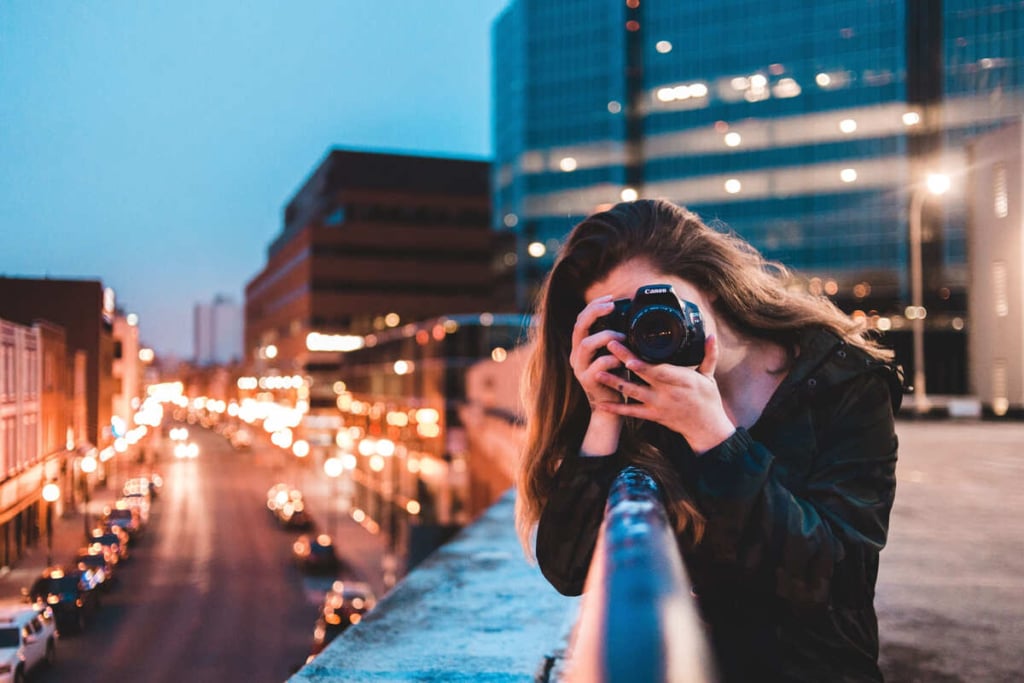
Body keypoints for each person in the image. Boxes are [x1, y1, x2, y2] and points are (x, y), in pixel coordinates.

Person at [517, 199, 901, 682]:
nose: (649, 328)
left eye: (660, 305)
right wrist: (603, 412)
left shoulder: (843, 382)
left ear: (713, 286)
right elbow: (569, 570)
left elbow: (836, 575)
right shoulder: (634, 398)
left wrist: (712, 436)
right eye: (623, 317)